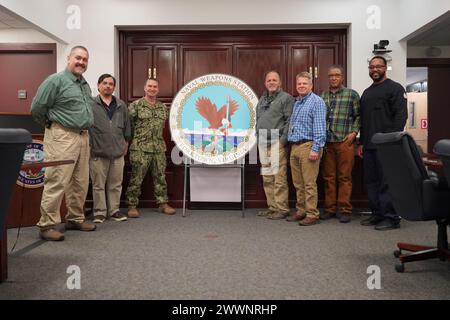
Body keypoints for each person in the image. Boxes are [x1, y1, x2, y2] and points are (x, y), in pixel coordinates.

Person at [31, 45, 96, 241]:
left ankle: (75, 218)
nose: (81, 62)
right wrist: (53, 126)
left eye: (85, 59)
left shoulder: (83, 83)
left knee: (80, 181)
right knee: (57, 180)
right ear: (68, 58)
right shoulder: (55, 81)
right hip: (62, 136)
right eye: (78, 58)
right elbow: (37, 108)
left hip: (83, 136)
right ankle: (46, 225)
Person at [358, 56, 407, 230]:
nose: (375, 70)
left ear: (386, 68)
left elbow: (401, 117)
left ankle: (391, 217)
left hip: (388, 146)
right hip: (369, 146)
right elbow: (364, 121)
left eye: (378, 66)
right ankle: (377, 213)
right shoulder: (367, 93)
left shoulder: (395, 89)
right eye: (372, 67)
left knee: (387, 182)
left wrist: (391, 142)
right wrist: (361, 143)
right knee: (371, 181)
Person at [126, 78, 176, 217]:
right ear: (145, 88)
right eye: (150, 86)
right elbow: (128, 126)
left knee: (160, 177)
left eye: (155, 86)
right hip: (140, 148)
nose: (152, 89)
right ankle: (132, 205)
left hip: (158, 148)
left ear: (158, 89)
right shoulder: (135, 106)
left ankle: (163, 203)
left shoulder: (163, 108)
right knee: (136, 178)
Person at [320, 65, 361, 223]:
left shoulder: (351, 95)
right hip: (327, 142)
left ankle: (344, 209)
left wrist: (354, 132)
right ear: (328, 77)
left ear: (342, 77)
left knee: (344, 177)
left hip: (345, 141)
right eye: (331, 76)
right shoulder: (322, 96)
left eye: (337, 75)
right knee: (329, 177)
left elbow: (358, 116)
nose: (334, 78)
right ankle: (330, 208)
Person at [89, 74, 131, 223]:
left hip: (118, 153)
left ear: (114, 87)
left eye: (111, 84)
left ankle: (114, 211)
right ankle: (99, 212)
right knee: (98, 185)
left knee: (115, 184)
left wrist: (125, 145)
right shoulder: (90, 104)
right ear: (99, 85)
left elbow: (127, 128)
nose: (108, 86)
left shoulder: (121, 105)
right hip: (97, 153)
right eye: (105, 83)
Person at [286, 72, 327, 226]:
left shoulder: (317, 102)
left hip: (309, 146)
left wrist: (316, 148)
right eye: (299, 84)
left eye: (304, 83)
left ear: (311, 85)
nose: (301, 86)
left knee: (309, 183)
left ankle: (312, 214)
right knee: (298, 184)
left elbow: (320, 128)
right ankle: (301, 210)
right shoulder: (297, 102)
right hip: (295, 147)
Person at [256, 71, 294, 220]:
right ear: (265, 83)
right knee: (267, 177)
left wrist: (283, 141)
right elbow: (259, 118)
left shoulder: (286, 98)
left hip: (276, 141)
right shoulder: (263, 98)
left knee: (279, 177)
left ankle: (282, 208)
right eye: (269, 80)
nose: (271, 82)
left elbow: (289, 120)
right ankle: (272, 207)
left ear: (280, 83)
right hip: (263, 141)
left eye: (274, 80)